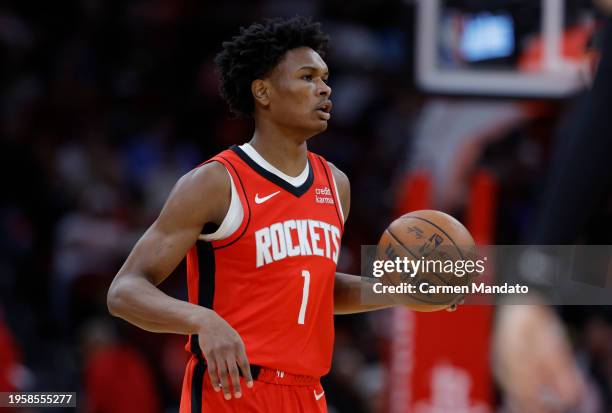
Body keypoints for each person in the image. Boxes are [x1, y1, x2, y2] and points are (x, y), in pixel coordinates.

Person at [107, 16, 403, 412]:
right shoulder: (215, 182)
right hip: (232, 390)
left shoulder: (336, 184)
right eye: (307, 77)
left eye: (326, 78)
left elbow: (315, 289)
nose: (325, 89)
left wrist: (400, 289)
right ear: (263, 91)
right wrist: (202, 320)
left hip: (308, 392)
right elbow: (124, 290)